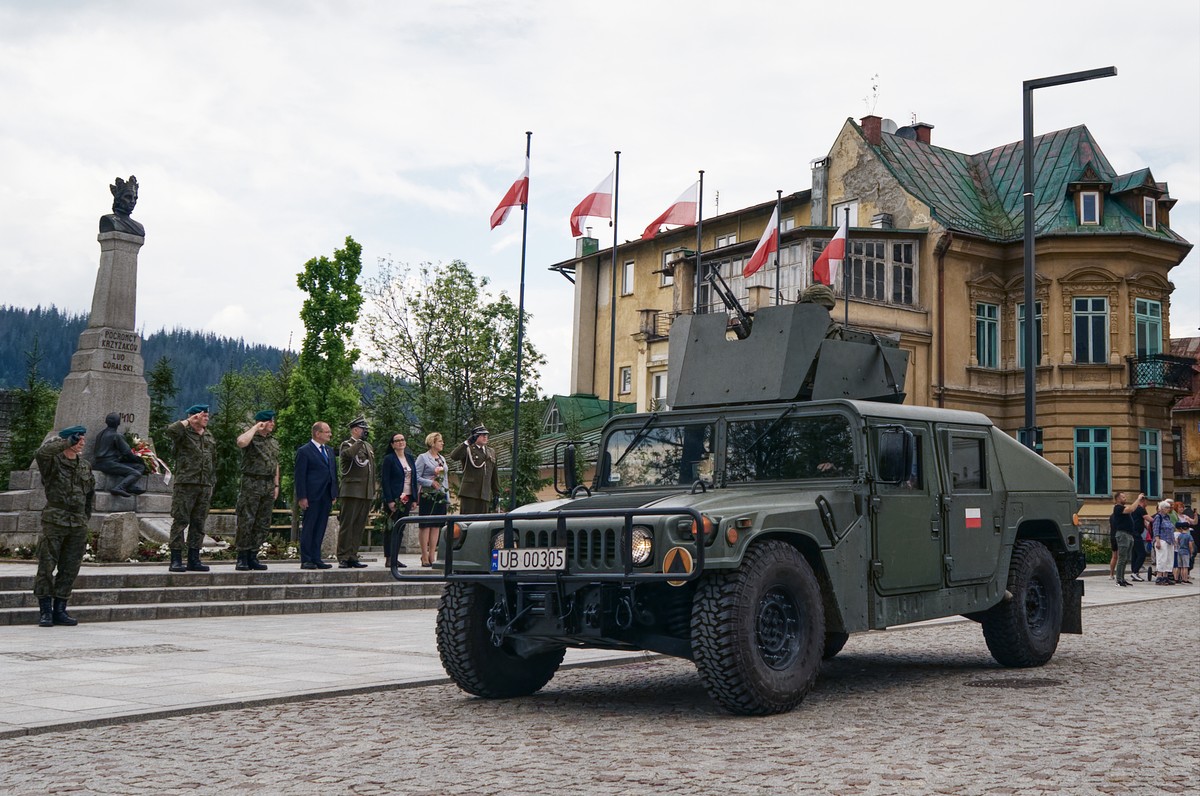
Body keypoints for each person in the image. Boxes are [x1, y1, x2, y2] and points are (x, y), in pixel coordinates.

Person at [32, 426, 95, 627]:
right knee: (47, 566)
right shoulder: (52, 462)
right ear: (69, 440)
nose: (83, 442)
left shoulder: (84, 465)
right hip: (55, 520)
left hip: (77, 523)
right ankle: (45, 611)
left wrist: (85, 518)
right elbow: (41, 452)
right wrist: (66, 442)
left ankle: (60, 608)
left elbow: (89, 496)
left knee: (70, 567)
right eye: (79, 439)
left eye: (83, 438)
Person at [163, 405, 216, 573]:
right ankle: (176, 559)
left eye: (208, 416)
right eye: (204, 416)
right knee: (180, 520)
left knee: (199, 522)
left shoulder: (208, 435)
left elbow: (212, 458)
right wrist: (187, 421)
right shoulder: (183, 433)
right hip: (186, 484)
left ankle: (194, 558)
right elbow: (170, 431)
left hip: (204, 484)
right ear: (194, 417)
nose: (207, 418)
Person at [234, 410, 279, 571]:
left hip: (267, 484)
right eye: (270, 421)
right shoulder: (251, 437)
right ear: (262, 423)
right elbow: (241, 442)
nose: (273, 423)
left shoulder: (273, 441)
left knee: (263, 522)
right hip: (252, 482)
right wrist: (255, 428)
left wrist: (276, 485)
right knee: (247, 520)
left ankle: (253, 554)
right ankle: (242, 556)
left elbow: (275, 463)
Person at [295, 421, 338, 569]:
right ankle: (306, 559)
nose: (330, 434)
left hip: (326, 494)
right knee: (310, 527)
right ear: (317, 433)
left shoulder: (329, 451)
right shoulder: (304, 451)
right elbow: (300, 476)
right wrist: (302, 496)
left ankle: (316, 557)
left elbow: (333, 472)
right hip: (312, 495)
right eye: (327, 432)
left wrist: (334, 493)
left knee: (320, 527)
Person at [337, 416, 376, 568]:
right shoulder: (346, 445)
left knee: (359, 525)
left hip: (365, 491)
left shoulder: (368, 446)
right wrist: (359, 441)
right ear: (355, 430)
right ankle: (343, 556)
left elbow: (372, 470)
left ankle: (353, 554)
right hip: (352, 491)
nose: (365, 431)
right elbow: (348, 456)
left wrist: (372, 491)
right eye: (363, 429)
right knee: (348, 524)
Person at [381, 431, 417, 569]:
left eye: (402, 439)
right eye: (397, 441)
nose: (401, 442)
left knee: (400, 528)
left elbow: (413, 479)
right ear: (392, 444)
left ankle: (396, 557)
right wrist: (389, 500)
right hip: (394, 498)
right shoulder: (389, 459)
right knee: (391, 528)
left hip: (407, 498)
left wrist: (414, 498)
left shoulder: (410, 458)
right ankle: (389, 557)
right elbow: (385, 481)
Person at [90, 411, 146, 498]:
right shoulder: (116, 435)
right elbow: (127, 453)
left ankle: (129, 486)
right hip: (108, 464)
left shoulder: (100, 434)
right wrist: (140, 459)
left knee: (139, 467)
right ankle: (119, 488)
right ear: (118, 423)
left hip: (98, 463)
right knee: (136, 473)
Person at [416, 432, 449, 567]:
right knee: (426, 525)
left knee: (436, 526)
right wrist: (429, 483)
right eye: (440, 441)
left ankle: (432, 554)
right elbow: (416, 476)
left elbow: (445, 478)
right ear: (432, 443)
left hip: (440, 495)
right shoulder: (423, 458)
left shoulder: (442, 458)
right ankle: (424, 555)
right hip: (427, 495)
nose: (442, 443)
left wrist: (447, 496)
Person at [450, 425, 499, 516]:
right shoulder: (468, 449)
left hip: (484, 494)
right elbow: (454, 456)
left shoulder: (491, 452)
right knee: (467, 522)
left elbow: (494, 474)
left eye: (486, 435)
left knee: (482, 525)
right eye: (481, 435)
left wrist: (496, 492)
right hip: (470, 493)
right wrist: (467, 442)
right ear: (474, 436)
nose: (485, 437)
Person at [1110, 492, 1144, 587]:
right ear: (1117, 499)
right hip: (1122, 534)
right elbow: (1131, 509)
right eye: (1123, 497)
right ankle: (1119, 579)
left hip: (1129, 534)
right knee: (1122, 558)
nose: (1125, 498)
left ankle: (1122, 578)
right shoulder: (1118, 508)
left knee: (1125, 559)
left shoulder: (1122, 508)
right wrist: (1138, 499)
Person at [1151, 500, 1178, 585]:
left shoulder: (1167, 517)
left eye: (1169, 507)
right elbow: (1155, 529)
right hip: (1162, 540)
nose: (1168, 509)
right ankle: (1159, 577)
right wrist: (1157, 540)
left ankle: (1166, 576)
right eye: (1167, 507)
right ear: (1162, 508)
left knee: (1169, 559)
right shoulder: (1158, 517)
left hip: (1169, 541)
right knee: (1161, 558)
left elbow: (1171, 529)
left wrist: (1174, 541)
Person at [1130, 495, 1151, 581]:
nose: (1147, 503)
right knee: (1142, 554)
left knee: (1135, 554)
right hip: (1136, 534)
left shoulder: (1136, 509)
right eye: (1146, 501)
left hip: (1134, 533)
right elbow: (1149, 519)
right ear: (1143, 501)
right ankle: (1135, 572)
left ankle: (1134, 572)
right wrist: (1158, 520)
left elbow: (1144, 522)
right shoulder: (1140, 509)